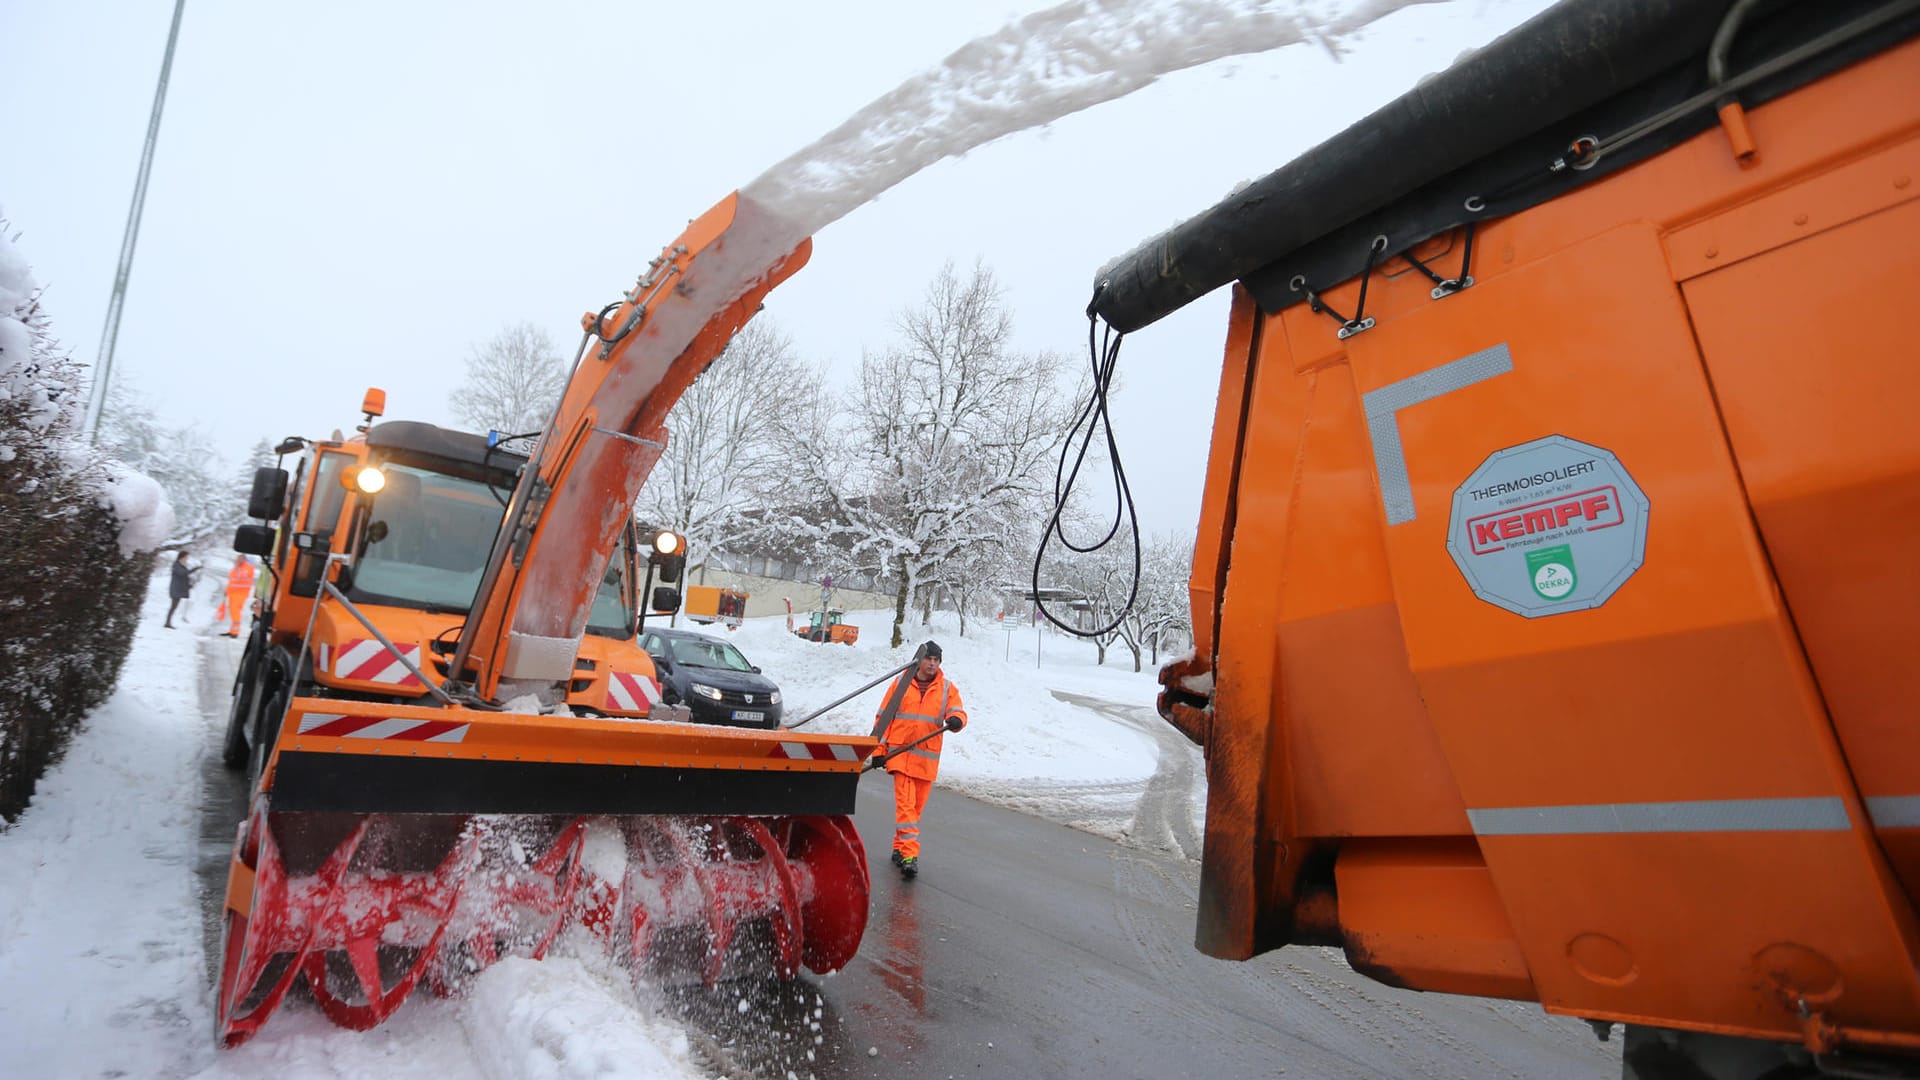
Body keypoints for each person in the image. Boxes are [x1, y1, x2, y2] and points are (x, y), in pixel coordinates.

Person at [873, 640, 967, 878]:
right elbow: (884, 718)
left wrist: (956, 720)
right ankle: (909, 855)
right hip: (900, 756)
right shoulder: (901, 684)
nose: (932, 665)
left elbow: (958, 710)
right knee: (905, 808)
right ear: (920, 660)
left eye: (936, 661)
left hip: (926, 760)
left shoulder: (946, 688)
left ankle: (898, 847)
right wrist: (878, 751)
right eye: (929, 659)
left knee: (914, 810)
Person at [221, 557, 257, 638]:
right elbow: (232, 581)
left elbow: (240, 578)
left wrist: (237, 567)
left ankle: (235, 632)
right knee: (233, 612)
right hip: (233, 593)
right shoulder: (238, 567)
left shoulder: (248, 568)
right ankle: (232, 631)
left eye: (239, 559)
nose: (237, 561)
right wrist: (227, 591)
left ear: (244, 560)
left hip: (240, 594)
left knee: (235, 611)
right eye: (237, 559)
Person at [164, 551, 197, 629]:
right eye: (186, 557)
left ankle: (168, 622)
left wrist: (189, 586)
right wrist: (193, 569)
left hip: (178, 589)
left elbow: (183, 578)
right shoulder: (177, 565)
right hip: (175, 589)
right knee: (173, 606)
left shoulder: (181, 565)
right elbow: (182, 573)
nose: (187, 559)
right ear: (182, 557)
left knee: (174, 607)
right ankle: (167, 623)